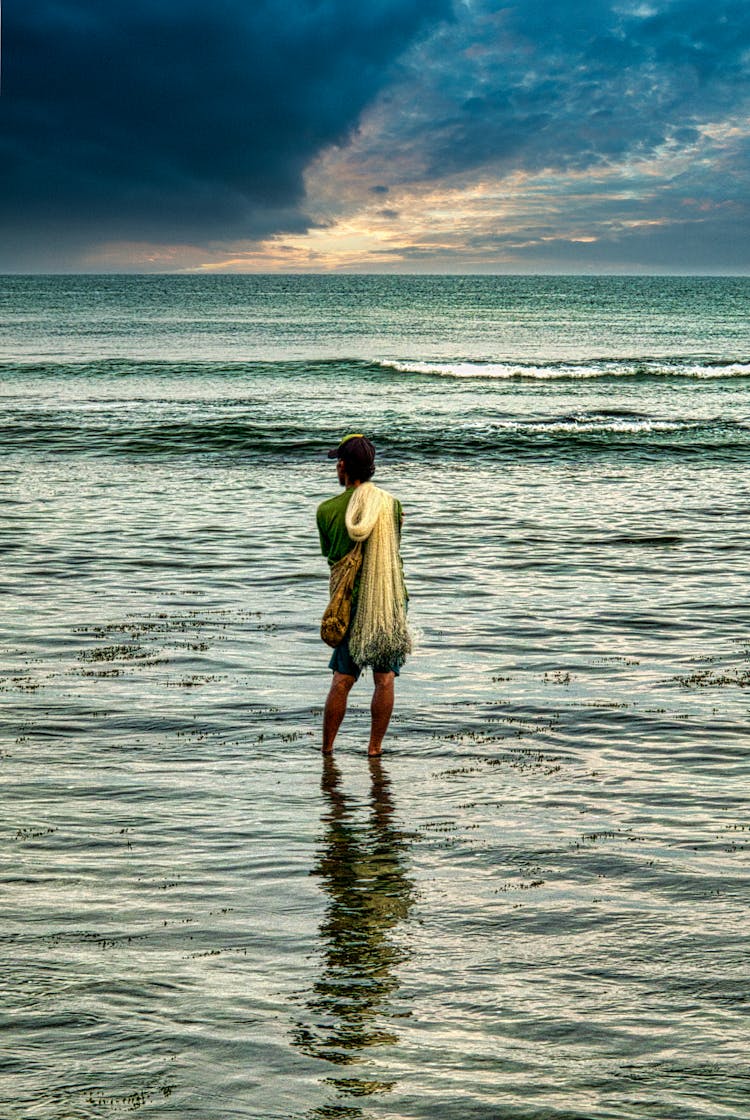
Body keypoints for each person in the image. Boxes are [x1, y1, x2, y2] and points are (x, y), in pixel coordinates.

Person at [317, 433, 410, 756]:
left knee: (342, 679)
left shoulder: (327, 510)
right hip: (388, 601)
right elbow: (393, 550)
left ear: (343, 466)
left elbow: (332, 556)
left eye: (337, 463)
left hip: (351, 605)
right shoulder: (391, 504)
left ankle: (327, 750)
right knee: (384, 679)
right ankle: (374, 749)